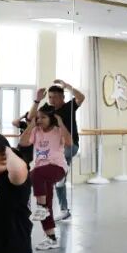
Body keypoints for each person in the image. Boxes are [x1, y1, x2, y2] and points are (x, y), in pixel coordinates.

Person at [19, 104, 72, 250]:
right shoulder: (36, 131)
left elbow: (69, 143)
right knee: (46, 202)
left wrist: (61, 123)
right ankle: (51, 238)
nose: (40, 120)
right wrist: (31, 125)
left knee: (35, 174)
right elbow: (23, 142)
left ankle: (41, 207)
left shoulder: (58, 131)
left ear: (51, 118)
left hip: (57, 167)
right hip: (41, 173)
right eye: (38, 117)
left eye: (43, 117)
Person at [38, 79, 85, 220]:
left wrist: (67, 86)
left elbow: (81, 97)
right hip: (56, 149)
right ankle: (64, 210)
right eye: (50, 97)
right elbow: (36, 117)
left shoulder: (69, 106)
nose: (52, 100)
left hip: (71, 146)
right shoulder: (48, 110)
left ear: (62, 97)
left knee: (58, 171)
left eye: (55, 97)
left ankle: (60, 175)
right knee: (58, 182)